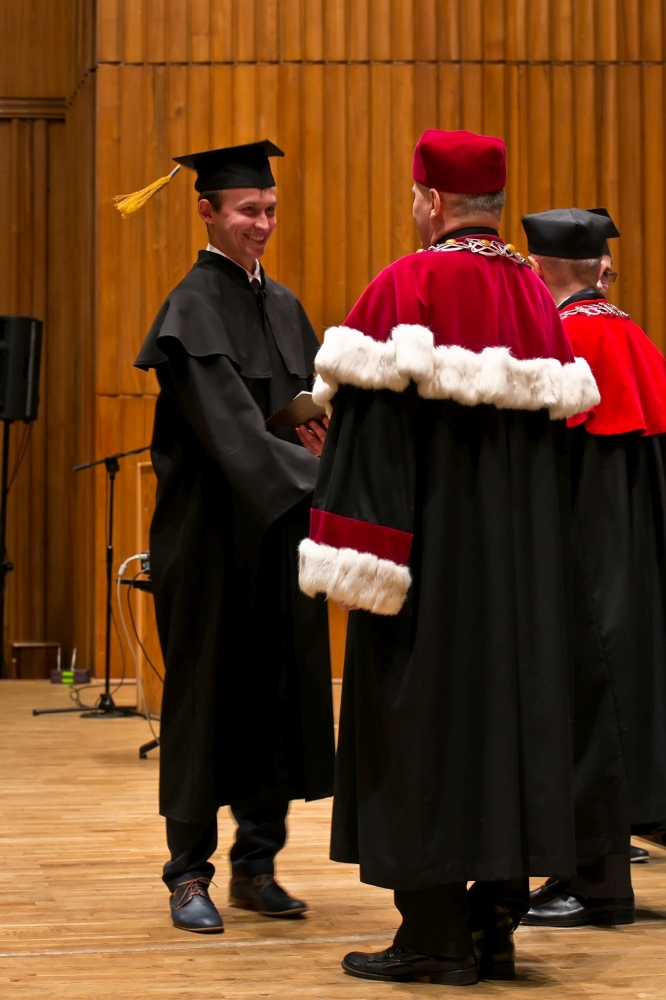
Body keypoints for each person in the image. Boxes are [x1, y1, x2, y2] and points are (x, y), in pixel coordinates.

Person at [299, 129, 599, 985]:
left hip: (429, 577)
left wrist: (358, 560)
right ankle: (493, 928)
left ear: (431, 200)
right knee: (506, 737)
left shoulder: (409, 286)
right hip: (516, 586)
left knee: (420, 733)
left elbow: (372, 447)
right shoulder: (537, 300)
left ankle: (433, 937)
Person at [134, 140, 335, 934]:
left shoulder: (283, 304)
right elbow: (231, 435)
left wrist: (326, 433)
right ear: (207, 211)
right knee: (203, 698)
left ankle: (259, 863)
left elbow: (304, 405)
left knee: (275, 690)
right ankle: (188, 874)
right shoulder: (190, 309)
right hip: (210, 538)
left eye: (271, 209)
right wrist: (323, 478)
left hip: (277, 534)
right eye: (248, 210)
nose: (262, 223)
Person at [521, 207, 666, 926]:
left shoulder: (568, 337)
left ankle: (595, 884)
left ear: (540, 268)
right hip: (634, 555)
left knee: (587, 705)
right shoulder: (630, 332)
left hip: (585, 555)